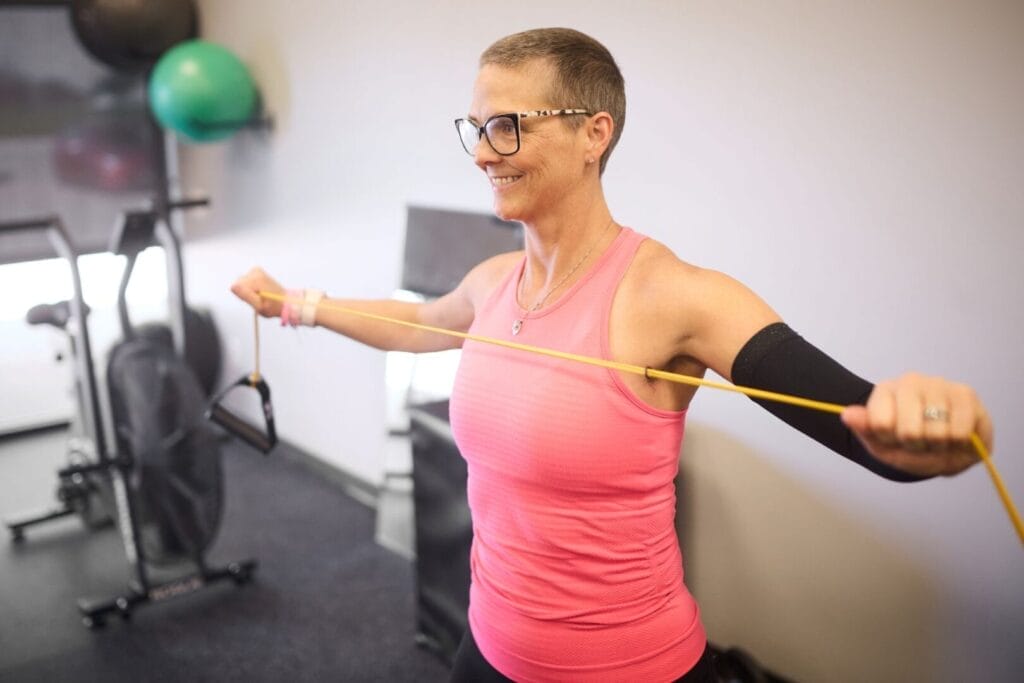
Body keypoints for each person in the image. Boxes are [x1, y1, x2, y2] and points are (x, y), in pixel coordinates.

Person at [231, 27, 993, 683]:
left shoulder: (678, 296)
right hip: (488, 646)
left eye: (508, 126)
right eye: (476, 128)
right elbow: (420, 322)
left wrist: (949, 431)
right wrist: (295, 304)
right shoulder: (495, 281)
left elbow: (870, 432)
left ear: (594, 133)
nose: (484, 153)